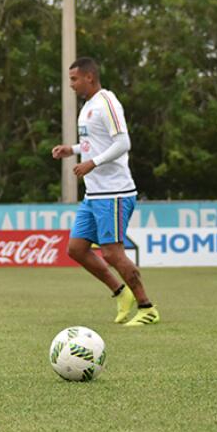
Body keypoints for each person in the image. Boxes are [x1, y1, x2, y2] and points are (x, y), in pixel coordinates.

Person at [50, 58, 157, 326]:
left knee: (111, 252)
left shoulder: (107, 102)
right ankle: (121, 292)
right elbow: (96, 143)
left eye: (74, 79)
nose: (71, 84)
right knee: (76, 249)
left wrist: (92, 163)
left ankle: (147, 307)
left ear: (89, 77)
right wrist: (73, 150)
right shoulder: (87, 107)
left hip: (114, 192)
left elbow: (123, 142)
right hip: (94, 193)